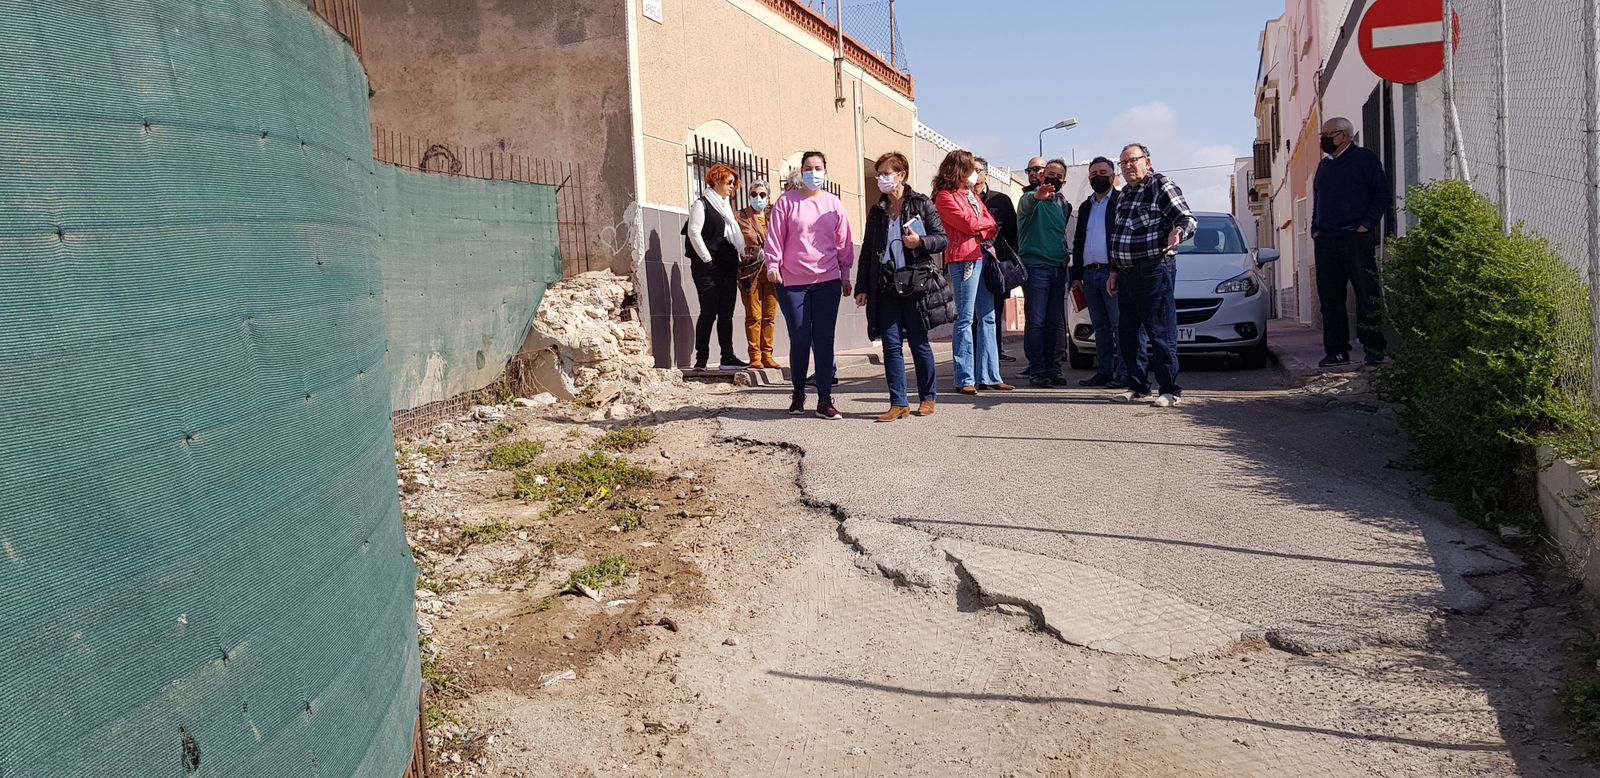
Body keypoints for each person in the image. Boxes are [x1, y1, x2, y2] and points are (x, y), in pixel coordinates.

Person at [854, 151, 950, 420]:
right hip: (884, 285)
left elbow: (942, 239)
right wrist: (862, 286)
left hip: (914, 283)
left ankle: (927, 397)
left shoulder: (921, 204)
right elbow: (868, 251)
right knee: (891, 345)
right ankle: (898, 403)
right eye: (879, 174)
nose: (882, 179)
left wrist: (921, 242)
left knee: (919, 343)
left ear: (901, 175)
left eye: (887, 173)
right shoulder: (877, 211)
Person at [764, 151, 855, 420]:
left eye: (817, 167)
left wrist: (845, 273)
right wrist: (772, 265)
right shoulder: (787, 202)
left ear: (825, 171)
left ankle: (825, 400)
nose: (812, 172)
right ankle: (798, 392)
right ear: (800, 171)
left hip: (827, 280)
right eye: (808, 167)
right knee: (801, 337)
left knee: (824, 340)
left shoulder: (833, 204)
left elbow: (844, 241)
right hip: (791, 282)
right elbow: (775, 236)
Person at [1107, 143, 1196, 408]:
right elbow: (1119, 235)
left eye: (1133, 160)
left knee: (1160, 333)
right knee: (1129, 334)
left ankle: (1170, 390)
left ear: (1148, 161)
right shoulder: (1124, 195)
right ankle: (1138, 387)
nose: (1128, 167)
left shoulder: (1160, 186)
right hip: (1125, 273)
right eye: (1123, 163)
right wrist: (1114, 270)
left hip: (1154, 270)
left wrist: (1178, 232)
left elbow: (1187, 219)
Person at [1312, 116, 1391, 367]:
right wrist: (1316, 227)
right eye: (1322, 136)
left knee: (1366, 293)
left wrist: (1366, 224)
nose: (1324, 140)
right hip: (1326, 240)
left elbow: (1382, 194)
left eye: (1329, 134)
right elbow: (1318, 199)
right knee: (1330, 298)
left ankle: (1373, 349)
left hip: (1355, 238)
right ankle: (1336, 351)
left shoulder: (1364, 159)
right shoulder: (1324, 166)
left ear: (1345, 136)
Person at [932, 149, 1011, 395]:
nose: (975, 174)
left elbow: (990, 222)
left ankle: (990, 375)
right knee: (965, 319)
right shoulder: (944, 197)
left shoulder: (971, 195)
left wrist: (981, 227)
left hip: (985, 256)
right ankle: (964, 376)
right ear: (959, 170)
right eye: (971, 169)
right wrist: (981, 227)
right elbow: (967, 224)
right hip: (964, 259)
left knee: (988, 316)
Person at [1071, 156, 1136, 387]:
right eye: (1094, 173)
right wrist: (1076, 274)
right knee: (1100, 327)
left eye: (1103, 172)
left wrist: (1116, 270)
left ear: (1113, 176)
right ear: (1089, 178)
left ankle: (1125, 372)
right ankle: (1105, 371)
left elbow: (1123, 238)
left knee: (1120, 325)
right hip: (1089, 275)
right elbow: (1079, 241)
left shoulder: (1121, 201)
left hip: (1112, 274)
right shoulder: (1086, 206)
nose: (1098, 176)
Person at [1016, 158, 1073, 387]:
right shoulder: (1028, 198)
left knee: (1055, 322)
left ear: (1064, 181)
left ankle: (1053, 368)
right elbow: (1029, 203)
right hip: (1036, 268)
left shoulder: (1062, 204)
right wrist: (1037, 195)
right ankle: (1038, 370)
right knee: (1037, 321)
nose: (1053, 179)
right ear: (1041, 176)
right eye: (1049, 174)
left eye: (1058, 177)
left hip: (1059, 269)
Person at [685, 163, 746, 370]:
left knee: (726, 312)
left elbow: (732, 236)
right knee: (709, 311)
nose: (732, 187)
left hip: (728, 267)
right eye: (729, 182)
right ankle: (701, 358)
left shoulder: (725, 207)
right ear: (717, 180)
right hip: (708, 268)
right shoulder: (701, 204)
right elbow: (694, 232)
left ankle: (727, 356)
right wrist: (707, 260)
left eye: (734, 184)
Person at [975, 157, 1017, 363]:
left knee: (994, 311)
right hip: (969, 264)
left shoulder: (1000, 200)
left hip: (996, 266)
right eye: (969, 170)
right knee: (972, 314)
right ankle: (975, 355)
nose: (973, 174)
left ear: (986, 173)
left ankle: (994, 353)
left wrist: (1009, 265)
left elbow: (1012, 234)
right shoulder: (960, 199)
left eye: (977, 170)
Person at [735, 180, 780, 369]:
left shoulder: (775, 216)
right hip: (749, 271)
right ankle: (755, 356)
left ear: (768, 197)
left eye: (762, 194)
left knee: (769, 314)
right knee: (754, 315)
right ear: (749, 196)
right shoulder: (741, 216)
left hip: (771, 270)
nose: (758, 198)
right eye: (754, 194)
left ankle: (767, 354)